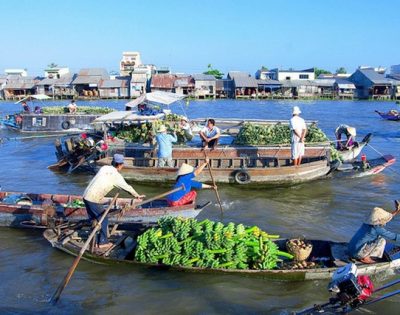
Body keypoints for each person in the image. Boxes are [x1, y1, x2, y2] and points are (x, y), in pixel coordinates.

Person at [82, 154, 145, 250]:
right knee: (104, 219)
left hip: (86, 195)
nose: (122, 166)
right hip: (93, 199)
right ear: (120, 165)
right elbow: (127, 188)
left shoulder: (104, 168)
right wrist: (137, 195)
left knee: (94, 220)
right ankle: (102, 242)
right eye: (122, 164)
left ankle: (94, 240)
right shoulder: (116, 176)